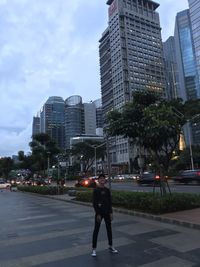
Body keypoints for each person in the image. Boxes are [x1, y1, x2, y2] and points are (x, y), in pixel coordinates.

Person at [91, 173, 118, 257]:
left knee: (109, 229)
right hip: (99, 213)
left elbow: (109, 203)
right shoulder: (96, 190)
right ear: (98, 180)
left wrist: (111, 213)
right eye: (101, 178)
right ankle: (94, 249)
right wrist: (98, 213)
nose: (102, 179)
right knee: (96, 230)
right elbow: (94, 203)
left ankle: (111, 246)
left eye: (103, 178)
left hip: (107, 213)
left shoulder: (107, 190)